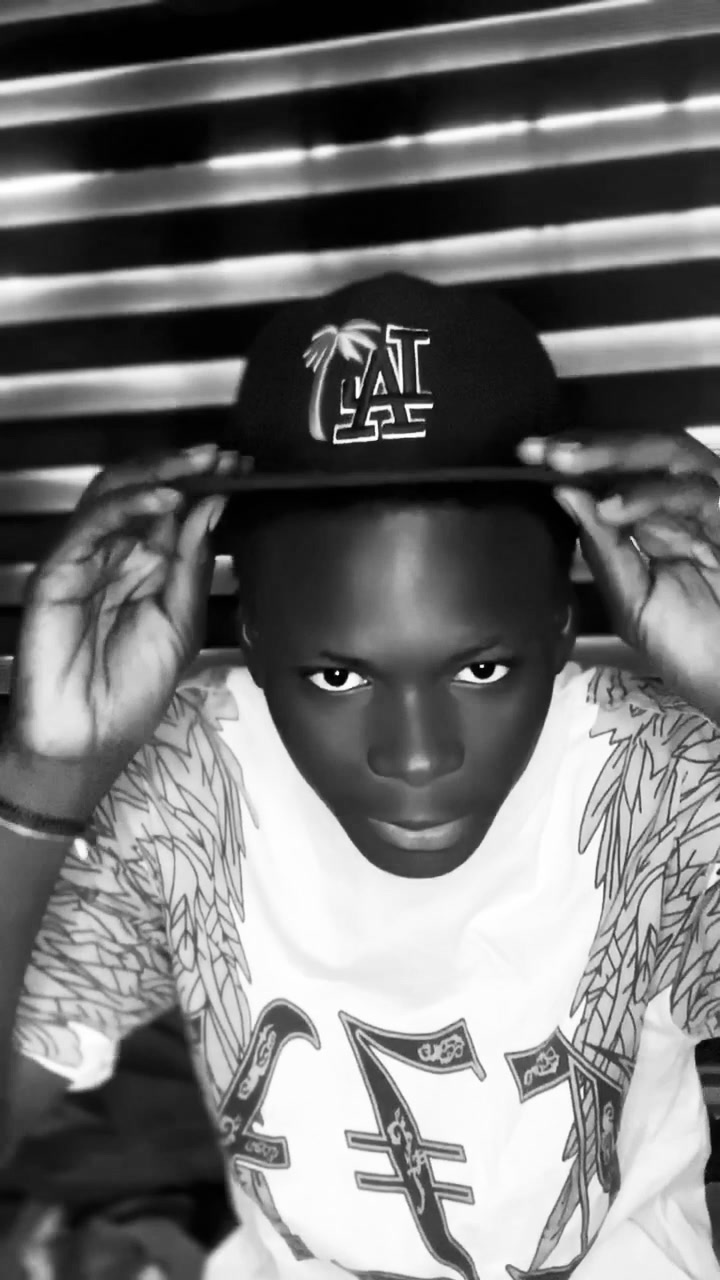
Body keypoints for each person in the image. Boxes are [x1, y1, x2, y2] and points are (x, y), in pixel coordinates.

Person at [1, 271, 720, 1280]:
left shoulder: (654, 780)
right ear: (252, 641)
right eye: (337, 676)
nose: (417, 756)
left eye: (482, 669)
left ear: (563, 627)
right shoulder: (193, 784)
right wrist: (48, 777)